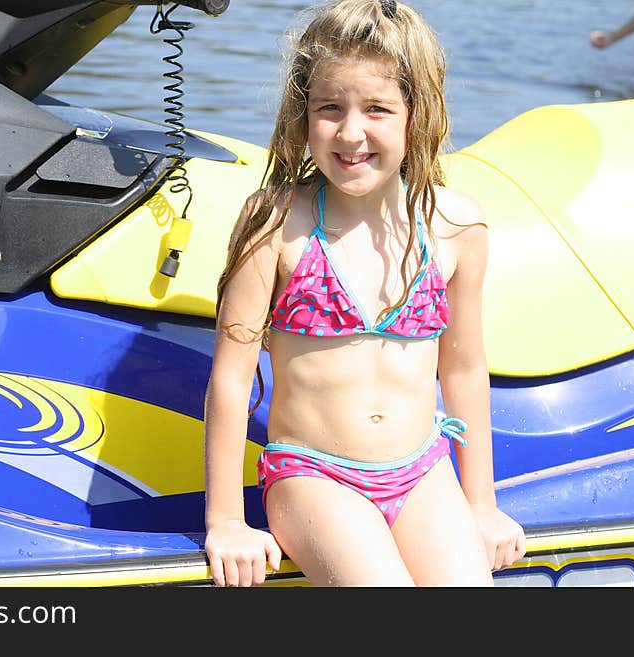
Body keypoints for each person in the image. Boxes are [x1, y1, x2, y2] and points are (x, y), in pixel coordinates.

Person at [202, 0, 526, 587]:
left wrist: (480, 502)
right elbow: (230, 376)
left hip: (424, 470)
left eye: (377, 108)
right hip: (314, 475)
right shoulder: (274, 224)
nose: (351, 133)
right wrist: (226, 519)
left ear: (417, 115)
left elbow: (465, 370)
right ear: (303, 116)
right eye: (330, 108)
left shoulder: (454, 228)